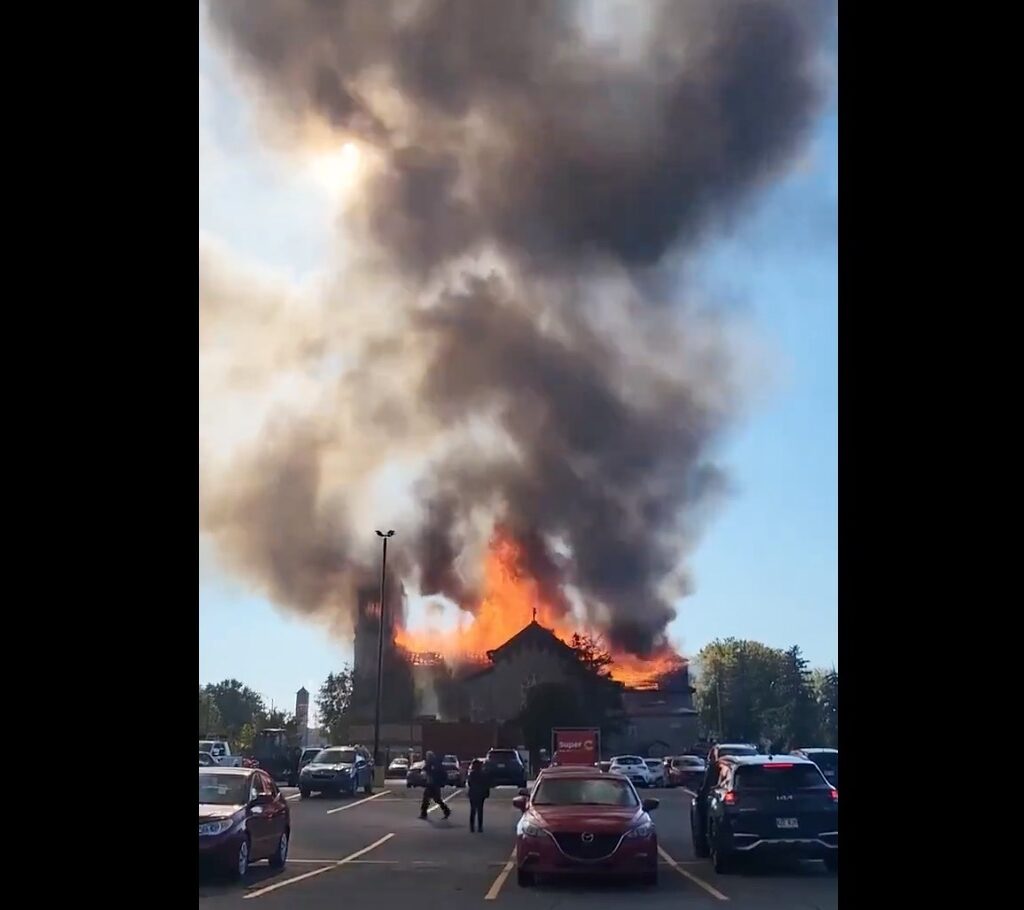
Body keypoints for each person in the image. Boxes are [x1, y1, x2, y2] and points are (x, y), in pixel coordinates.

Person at [419, 750, 451, 820]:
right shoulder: (433, 763)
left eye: (427, 756)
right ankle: (446, 811)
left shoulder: (433, 764)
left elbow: (431, 771)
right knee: (432, 799)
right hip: (432, 783)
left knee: (430, 799)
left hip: (433, 783)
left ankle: (424, 813)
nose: (426, 757)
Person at [467, 758, 490, 833]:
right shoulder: (483, 774)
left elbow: (469, 783)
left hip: (473, 793)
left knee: (473, 810)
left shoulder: (472, 774)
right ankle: (480, 827)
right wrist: (487, 793)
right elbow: (486, 784)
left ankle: (472, 827)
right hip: (481, 793)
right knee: (480, 810)